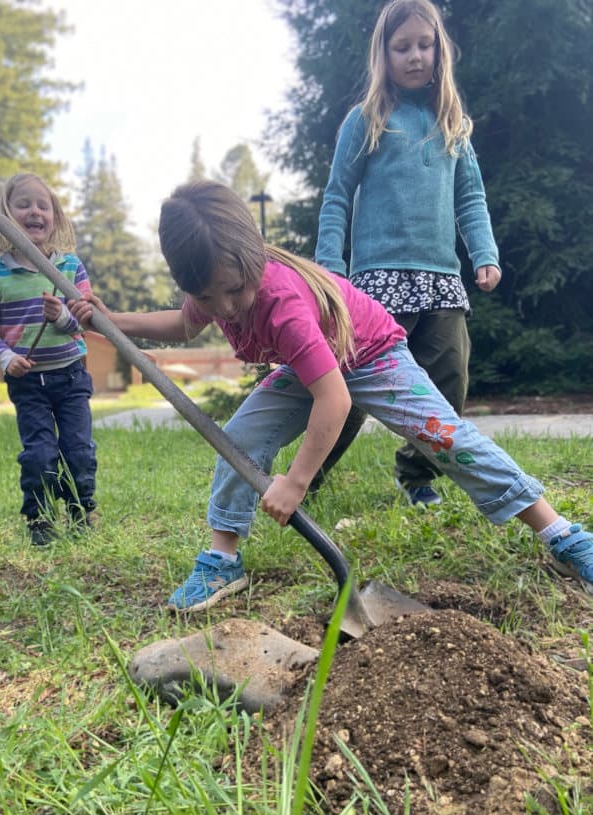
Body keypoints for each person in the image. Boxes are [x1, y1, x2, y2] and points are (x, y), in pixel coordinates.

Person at [68, 179, 592, 609]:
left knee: (448, 437)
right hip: (312, 364)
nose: (225, 308)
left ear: (252, 259)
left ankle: (560, 534)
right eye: (209, 295)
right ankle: (222, 560)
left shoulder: (280, 302)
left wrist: (296, 482)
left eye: (234, 291)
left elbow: (336, 400)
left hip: (374, 356)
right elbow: (184, 324)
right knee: (240, 437)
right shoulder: (214, 284)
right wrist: (110, 320)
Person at [314, 0, 501, 507]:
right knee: (349, 388)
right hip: (376, 284)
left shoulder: (452, 124)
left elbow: (471, 198)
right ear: (384, 54)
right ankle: (308, 475)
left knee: (448, 382)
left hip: (441, 279)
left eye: (425, 44)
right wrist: (330, 268)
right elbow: (336, 196)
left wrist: (483, 251)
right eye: (402, 47)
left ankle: (417, 475)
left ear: (439, 50)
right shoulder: (367, 119)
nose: (415, 56)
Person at [0, 173, 97, 546]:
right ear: (6, 214)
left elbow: (87, 322)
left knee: (79, 449)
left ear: (55, 216)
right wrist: (5, 356)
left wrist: (61, 317)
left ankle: (80, 512)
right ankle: (39, 519)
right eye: (23, 204)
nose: (34, 212)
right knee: (39, 454)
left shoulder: (70, 267)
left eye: (43, 205)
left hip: (71, 375)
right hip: (28, 383)